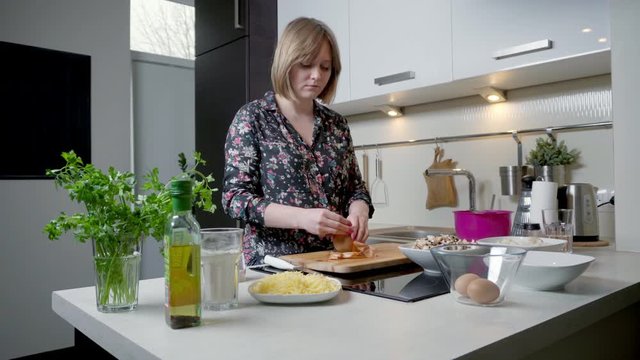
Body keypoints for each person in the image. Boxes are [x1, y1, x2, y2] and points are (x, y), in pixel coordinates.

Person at [222, 17, 374, 266]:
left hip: (335, 263)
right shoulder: (253, 118)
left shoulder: (336, 125)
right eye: (306, 64)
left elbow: (355, 188)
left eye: (325, 67)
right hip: (273, 266)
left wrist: (359, 209)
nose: (316, 76)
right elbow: (235, 199)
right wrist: (301, 218)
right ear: (287, 62)